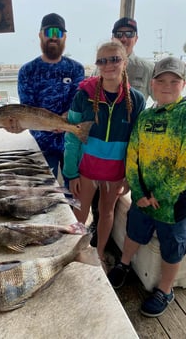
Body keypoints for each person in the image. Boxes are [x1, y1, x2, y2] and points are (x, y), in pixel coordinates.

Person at [108, 57, 186, 317]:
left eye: (174, 81)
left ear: (183, 84)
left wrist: (159, 195)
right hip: (142, 198)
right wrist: (139, 192)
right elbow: (132, 153)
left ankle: (165, 290)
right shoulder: (146, 116)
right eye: (161, 80)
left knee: (173, 246)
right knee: (134, 232)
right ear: (152, 84)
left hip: (175, 203)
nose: (167, 86)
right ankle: (124, 265)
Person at [63, 40, 146, 265]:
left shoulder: (137, 100)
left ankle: (99, 253)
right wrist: (70, 173)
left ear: (125, 62)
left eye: (114, 59)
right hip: (86, 169)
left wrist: (130, 176)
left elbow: (137, 144)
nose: (108, 64)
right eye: (102, 60)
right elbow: (71, 135)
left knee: (106, 212)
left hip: (115, 173)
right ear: (97, 64)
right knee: (79, 212)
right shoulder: (83, 95)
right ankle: (75, 253)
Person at [90, 17, 154, 247]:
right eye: (119, 33)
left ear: (136, 38)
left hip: (128, 145)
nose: (124, 37)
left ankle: (105, 243)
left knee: (112, 200)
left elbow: (160, 103)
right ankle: (97, 233)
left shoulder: (148, 68)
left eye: (129, 33)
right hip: (100, 147)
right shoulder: (103, 65)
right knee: (97, 200)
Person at [6, 13, 85, 184]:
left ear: (65, 37)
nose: (54, 37)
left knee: (74, 196)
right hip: (40, 148)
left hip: (71, 145)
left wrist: (63, 119)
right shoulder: (27, 71)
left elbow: (76, 103)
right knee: (44, 198)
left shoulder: (76, 69)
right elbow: (26, 110)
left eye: (59, 33)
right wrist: (17, 126)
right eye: (49, 32)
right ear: (40, 35)